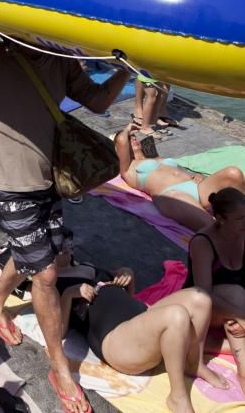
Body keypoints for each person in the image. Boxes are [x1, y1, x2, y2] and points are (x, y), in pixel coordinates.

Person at [0, 28, 129, 413]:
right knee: (47, 273)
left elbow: (98, 102)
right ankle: (59, 369)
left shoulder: (61, 60)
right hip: (8, 185)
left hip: (50, 178)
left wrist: (128, 67)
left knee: (38, 251)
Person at [59, 265, 227, 413]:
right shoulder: (54, 283)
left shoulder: (84, 266)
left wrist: (126, 274)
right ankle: (177, 396)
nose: (66, 244)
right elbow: (58, 332)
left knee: (201, 299)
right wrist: (68, 294)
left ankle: (194, 363)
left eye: (67, 240)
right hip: (117, 340)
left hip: (139, 317)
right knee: (177, 315)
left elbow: (126, 292)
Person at [115, 122, 245, 230]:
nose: (133, 138)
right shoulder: (128, 168)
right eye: (130, 138)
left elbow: (177, 171)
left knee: (233, 173)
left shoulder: (157, 158)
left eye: (134, 136)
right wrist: (127, 129)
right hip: (171, 195)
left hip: (195, 188)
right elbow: (121, 140)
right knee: (212, 226)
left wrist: (198, 176)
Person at [186, 187, 245, 394]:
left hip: (234, 306)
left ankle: (214, 344)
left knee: (236, 311)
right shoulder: (203, 242)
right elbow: (203, 297)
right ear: (220, 218)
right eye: (239, 218)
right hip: (205, 307)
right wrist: (242, 316)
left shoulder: (243, 234)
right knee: (236, 298)